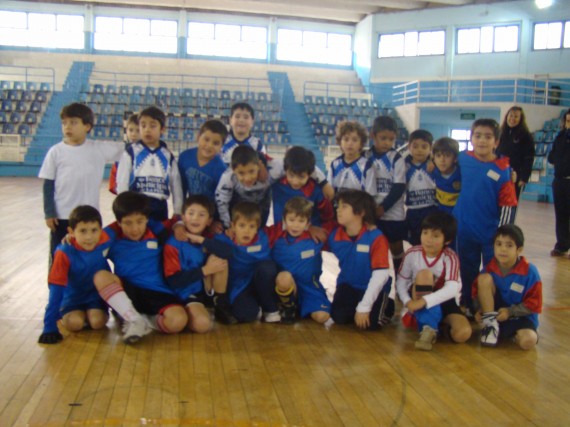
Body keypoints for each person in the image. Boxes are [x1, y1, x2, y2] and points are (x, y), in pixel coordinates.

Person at [93, 191, 188, 344]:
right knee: (101, 276)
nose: (135, 228)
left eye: (139, 221)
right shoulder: (112, 236)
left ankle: (142, 321)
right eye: (128, 223)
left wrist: (178, 225)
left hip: (157, 292)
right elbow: (88, 243)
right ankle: (133, 318)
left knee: (178, 321)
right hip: (127, 292)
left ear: (147, 219)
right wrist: (71, 239)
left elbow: (179, 221)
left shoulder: (157, 231)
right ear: (118, 223)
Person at [38, 102, 124, 264]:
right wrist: (49, 212)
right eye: (64, 123)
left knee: (89, 256)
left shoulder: (98, 148)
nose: (67, 127)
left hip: (89, 215)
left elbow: (127, 150)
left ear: (87, 126)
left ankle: (87, 286)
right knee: (59, 256)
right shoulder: (55, 152)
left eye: (73, 122)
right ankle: (56, 287)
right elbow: (48, 184)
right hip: (62, 216)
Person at [453, 118, 518, 312]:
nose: (482, 140)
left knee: (494, 270)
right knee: (467, 268)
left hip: (491, 232)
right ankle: (468, 303)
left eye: (488, 137)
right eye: (478, 136)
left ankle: (493, 306)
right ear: (471, 138)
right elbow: (442, 166)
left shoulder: (503, 169)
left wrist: (503, 234)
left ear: (496, 142)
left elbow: (508, 204)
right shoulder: (463, 158)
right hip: (464, 229)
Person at [396, 212, 471, 351]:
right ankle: (428, 326)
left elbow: (452, 288)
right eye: (425, 233)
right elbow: (401, 281)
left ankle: (434, 326)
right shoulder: (412, 253)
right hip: (418, 294)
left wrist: (424, 302)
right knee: (425, 275)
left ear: (447, 240)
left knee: (463, 334)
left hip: (441, 299)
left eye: (435, 236)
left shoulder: (450, 257)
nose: (428, 239)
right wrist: (408, 302)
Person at [38, 205, 111, 344]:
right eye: (82, 231)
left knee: (97, 322)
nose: (89, 237)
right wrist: (49, 326)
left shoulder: (105, 241)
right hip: (72, 298)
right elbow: (56, 289)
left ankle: (90, 313)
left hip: (95, 297)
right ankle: (70, 313)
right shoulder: (64, 252)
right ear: (71, 232)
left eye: (94, 230)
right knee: (75, 324)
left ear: (100, 230)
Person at [163, 195, 234, 332]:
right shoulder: (173, 244)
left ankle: (218, 304)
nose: (195, 218)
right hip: (185, 292)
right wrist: (205, 270)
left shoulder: (207, 236)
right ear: (183, 218)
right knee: (202, 325)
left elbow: (228, 252)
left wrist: (200, 239)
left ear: (209, 221)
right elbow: (173, 281)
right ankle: (188, 313)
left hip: (204, 289)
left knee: (220, 257)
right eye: (191, 213)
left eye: (201, 215)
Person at [328, 190, 393, 330]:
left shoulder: (376, 237)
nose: (338, 210)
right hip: (349, 286)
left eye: (344, 206)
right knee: (338, 317)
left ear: (361, 212)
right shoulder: (334, 235)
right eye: (338, 206)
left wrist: (365, 306)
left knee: (372, 325)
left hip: (373, 287)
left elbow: (380, 274)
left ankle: (388, 303)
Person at [472, 225, 542, 350]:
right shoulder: (488, 269)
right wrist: (480, 309)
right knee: (484, 279)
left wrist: (510, 312)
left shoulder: (530, 271)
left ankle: (511, 335)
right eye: (499, 244)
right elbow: (477, 293)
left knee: (528, 341)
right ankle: (490, 325)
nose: (503, 249)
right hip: (495, 315)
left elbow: (534, 304)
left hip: (520, 317)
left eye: (509, 245)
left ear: (519, 249)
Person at [212, 202, 281, 323]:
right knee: (246, 315)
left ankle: (270, 308)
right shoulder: (224, 239)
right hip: (239, 286)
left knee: (267, 267)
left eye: (251, 226)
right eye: (242, 226)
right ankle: (233, 303)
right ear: (233, 226)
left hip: (262, 282)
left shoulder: (265, 236)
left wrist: (310, 227)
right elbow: (206, 242)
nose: (246, 231)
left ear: (257, 227)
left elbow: (290, 225)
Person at [268, 197, 331, 324]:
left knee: (322, 317)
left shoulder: (316, 237)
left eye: (301, 221)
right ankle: (288, 307)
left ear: (308, 223)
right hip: (286, 284)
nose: (295, 225)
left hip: (310, 287)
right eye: (291, 220)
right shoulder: (274, 234)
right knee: (283, 278)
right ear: (284, 219)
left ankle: (302, 306)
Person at [116, 106, 183, 221]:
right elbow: (122, 181)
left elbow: (176, 185)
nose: (147, 130)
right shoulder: (131, 152)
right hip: (135, 205)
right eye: (143, 125)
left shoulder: (168, 156)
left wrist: (177, 211)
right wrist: (124, 207)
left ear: (162, 129)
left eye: (152, 126)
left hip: (159, 207)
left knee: (158, 238)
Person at [366, 115, 406, 272]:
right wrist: (370, 210)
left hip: (393, 214)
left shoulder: (396, 158)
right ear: (372, 135)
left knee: (397, 250)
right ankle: (376, 289)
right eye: (383, 138)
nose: (387, 143)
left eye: (391, 139)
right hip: (371, 214)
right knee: (373, 249)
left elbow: (399, 187)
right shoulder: (365, 157)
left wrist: (382, 208)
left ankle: (400, 288)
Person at [215, 145, 281, 229]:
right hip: (237, 210)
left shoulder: (272, 170)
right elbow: (222, 204)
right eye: (241, 173)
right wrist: (228, 227)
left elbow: (293, 165)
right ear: (233, 170)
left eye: (251, 171)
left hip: (262, 210)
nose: (248, 178)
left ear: (258, 165)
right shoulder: (228, 177)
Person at [271, 146, 334, 229]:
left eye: (301, 177)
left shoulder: (315, 190)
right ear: (285, 171)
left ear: (310, 174)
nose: (295, 181)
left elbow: (327, 215)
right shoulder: (276, 187)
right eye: (291, 175)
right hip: (282, 235)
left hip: (309, 235)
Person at [178, 119, 228, 202]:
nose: (209, 146)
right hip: (190, 209)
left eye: (215, 143)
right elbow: (181, 187)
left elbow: (221, 200)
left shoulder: (222, 170)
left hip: (211, 212)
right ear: (198, 137)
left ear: (221, 146)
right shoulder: (185, 157)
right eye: (206, 139)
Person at [404, 129, 437, 246]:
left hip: (431, 210)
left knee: (431, 241)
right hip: (413, 211)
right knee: (415, 243)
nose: (419, 150)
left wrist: (434, 161)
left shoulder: (434, 166)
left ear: (430, 148)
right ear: (409, 146)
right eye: (416, 146)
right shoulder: (404, 166)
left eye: (424, 147)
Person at [327, 121, 376, 195]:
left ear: (361, 143)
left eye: (355, 140)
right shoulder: (334, 165)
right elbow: (329, 193)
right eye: (346, 139)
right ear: (340, 142)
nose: (350, 143)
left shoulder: (367, 166)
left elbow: (370, 197)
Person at [497, 106, 535, 200]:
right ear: (507, 117)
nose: (512, 119)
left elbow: (529, 158)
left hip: (514, 175)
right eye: (511, 116)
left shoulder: (526, 136)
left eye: (516, 116)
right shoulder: (500, 133)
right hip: (498, 173)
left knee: (510, 204)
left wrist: (524, 178)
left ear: (521, 119)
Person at [547, 108, 570, 258]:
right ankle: (562, 246)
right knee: (561, 215)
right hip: (559, 181)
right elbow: (551, 157)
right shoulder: (561, 136)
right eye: (568, 121)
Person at [109, 113, 140, 194]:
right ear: (126, 130)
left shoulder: (146, 152)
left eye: (138, 130)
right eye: (131, 130)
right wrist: (116, 187)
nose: (133, 134)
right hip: (125, 192)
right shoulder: (123, 150)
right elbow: (115, 170)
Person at [431, 137, 461, 215]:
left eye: (447, 156)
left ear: (455, 158)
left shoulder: (462, 173)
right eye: (438, 155)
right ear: (433, 158)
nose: (442, 160)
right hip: (441, 216)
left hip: (458, 217)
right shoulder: (433, 171)